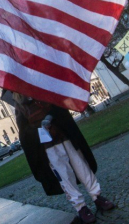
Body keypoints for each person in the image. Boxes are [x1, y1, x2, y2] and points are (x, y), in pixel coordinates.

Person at [10, 91, 114, 224]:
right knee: (65, 175)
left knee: (82, 166)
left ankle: (97, 196)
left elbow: (60, 107)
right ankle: (81, 207)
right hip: (49, 146)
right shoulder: (20, 107)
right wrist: (39, 128)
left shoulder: (44, 90)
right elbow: (24, 133)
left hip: (64, 136)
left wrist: (50, 117)